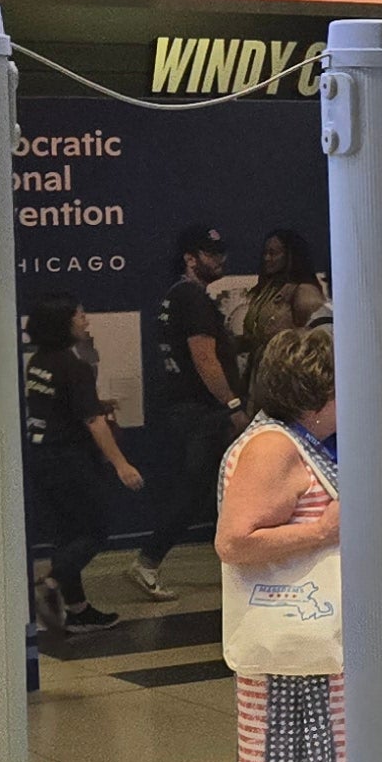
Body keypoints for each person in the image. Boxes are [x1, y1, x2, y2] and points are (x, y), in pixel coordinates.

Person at [216, 322, 351, 762]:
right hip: (285, 659)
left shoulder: (290, 440)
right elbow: (235, 541)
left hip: (301, 656)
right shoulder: (273, 446)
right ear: (316, 389)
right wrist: (325, 530)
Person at [131, 226, 241, 595]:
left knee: (205, 493)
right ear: (190, 259)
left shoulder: (178, 296)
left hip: (188, 411)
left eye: (221, 251)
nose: (220, 258)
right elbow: (204, 358)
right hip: (200, 413)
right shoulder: (192, 299)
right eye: (210, 253)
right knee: (195, 493)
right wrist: (234, 405)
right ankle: (148, 560)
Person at [23, 300, 143, 631]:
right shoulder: (73, 367)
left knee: (66, 534)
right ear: (63, 322)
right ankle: (49, 586)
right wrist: (122, 465)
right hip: (70, 460)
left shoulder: (38, 363)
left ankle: (77, 609)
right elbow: (93, 421)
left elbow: (61, 406)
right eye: (78, 314)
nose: (85, 319)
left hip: (42, 458)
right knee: (95, 529)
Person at [238, 228, 329, 366]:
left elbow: (319, 338)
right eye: (265, 253)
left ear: (290, 255)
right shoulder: (267, 290)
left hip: (286, 373)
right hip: (261, 374)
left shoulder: (304, 292)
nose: (266, 258)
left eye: (273, 253)